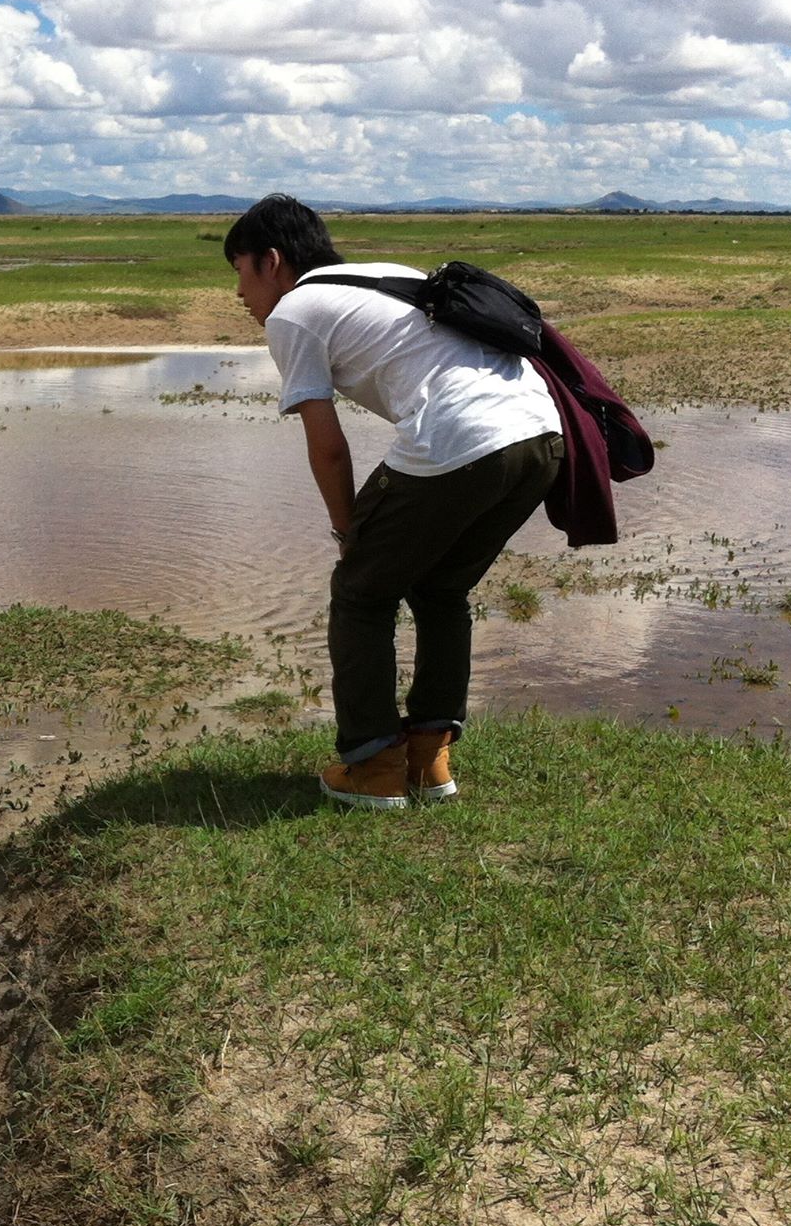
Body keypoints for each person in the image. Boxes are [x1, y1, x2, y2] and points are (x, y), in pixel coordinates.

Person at [225, 194, 564, 809]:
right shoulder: (391, 276)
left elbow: (327, 448)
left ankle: (374, 768)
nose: (241, 296)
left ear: (271, 261)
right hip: (543, 436)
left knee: (360, 593)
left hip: (462, 439)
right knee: (439, 589)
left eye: (240, 274)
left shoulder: (294, 313)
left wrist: (346, 529)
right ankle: (430, 761)